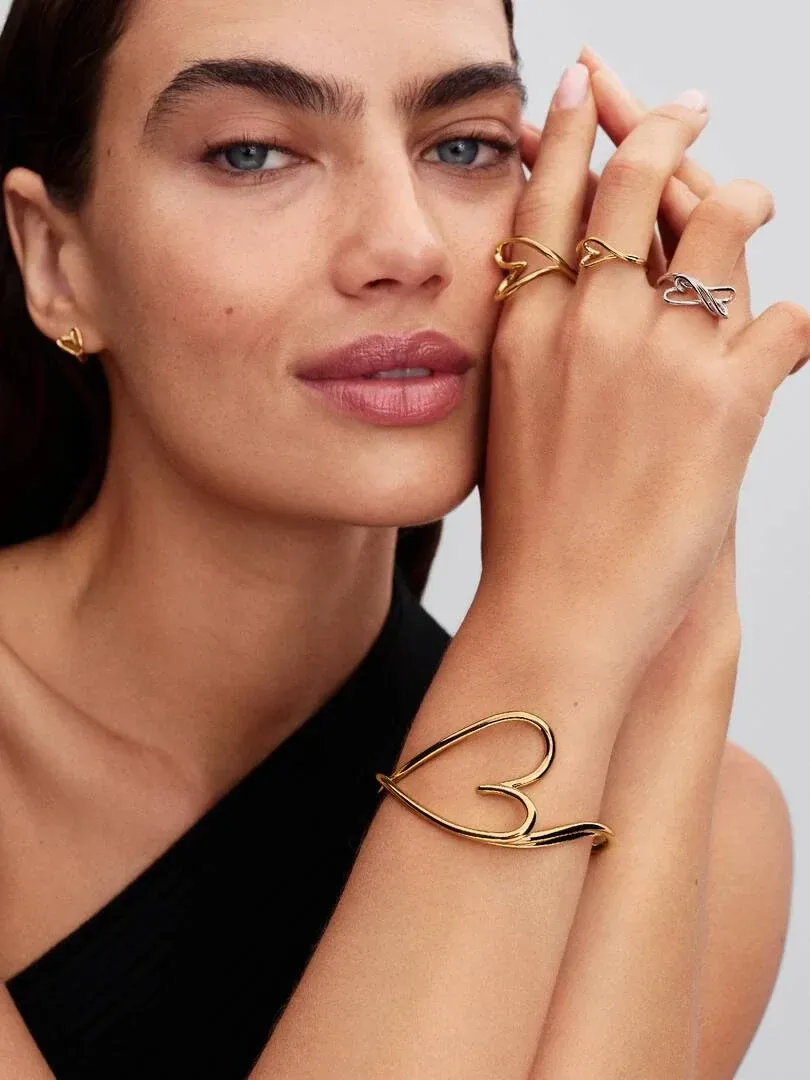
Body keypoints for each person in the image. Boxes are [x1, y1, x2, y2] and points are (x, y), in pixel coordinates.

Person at [0, 0, 806, 1075]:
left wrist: (681, 630)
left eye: (465, 146)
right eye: (252, 152)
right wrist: (562, 621)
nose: (407, 246)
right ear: (57, 259)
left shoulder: (713, 826)